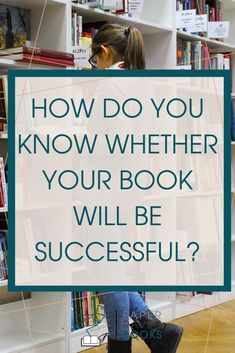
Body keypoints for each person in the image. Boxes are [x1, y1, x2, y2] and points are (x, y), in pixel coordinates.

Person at [89, 24, 183, 353]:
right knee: (107, 267)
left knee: (105, 269)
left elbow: (107, 145)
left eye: (92, 60)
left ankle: (129, 341)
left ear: (104, 52)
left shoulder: (109, 86)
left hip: (107, 189)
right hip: (129, 189)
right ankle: (154, 332)